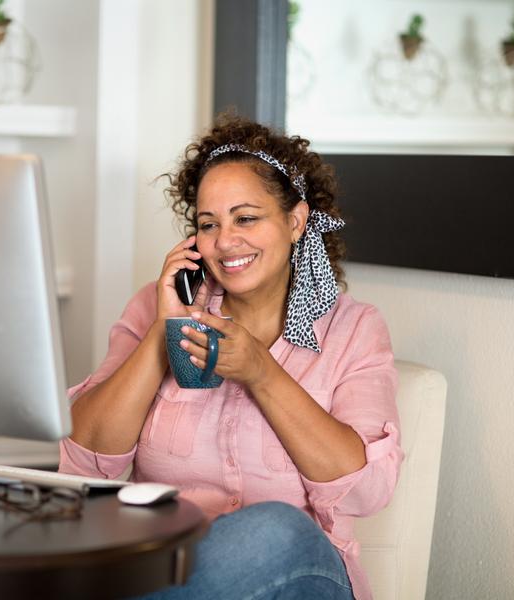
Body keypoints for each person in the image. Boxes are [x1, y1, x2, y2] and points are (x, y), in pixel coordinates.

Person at [59, 114, 403, 600]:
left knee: (273, 530)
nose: (224, 241)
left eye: (246, 218)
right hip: (166, 563)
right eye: (207, 224)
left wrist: (262, 373)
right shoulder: (155, 308)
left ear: (295, 220)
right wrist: (164, 331)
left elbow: (366, 492)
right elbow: (84, 463)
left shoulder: (354, 330)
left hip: (301, 578)